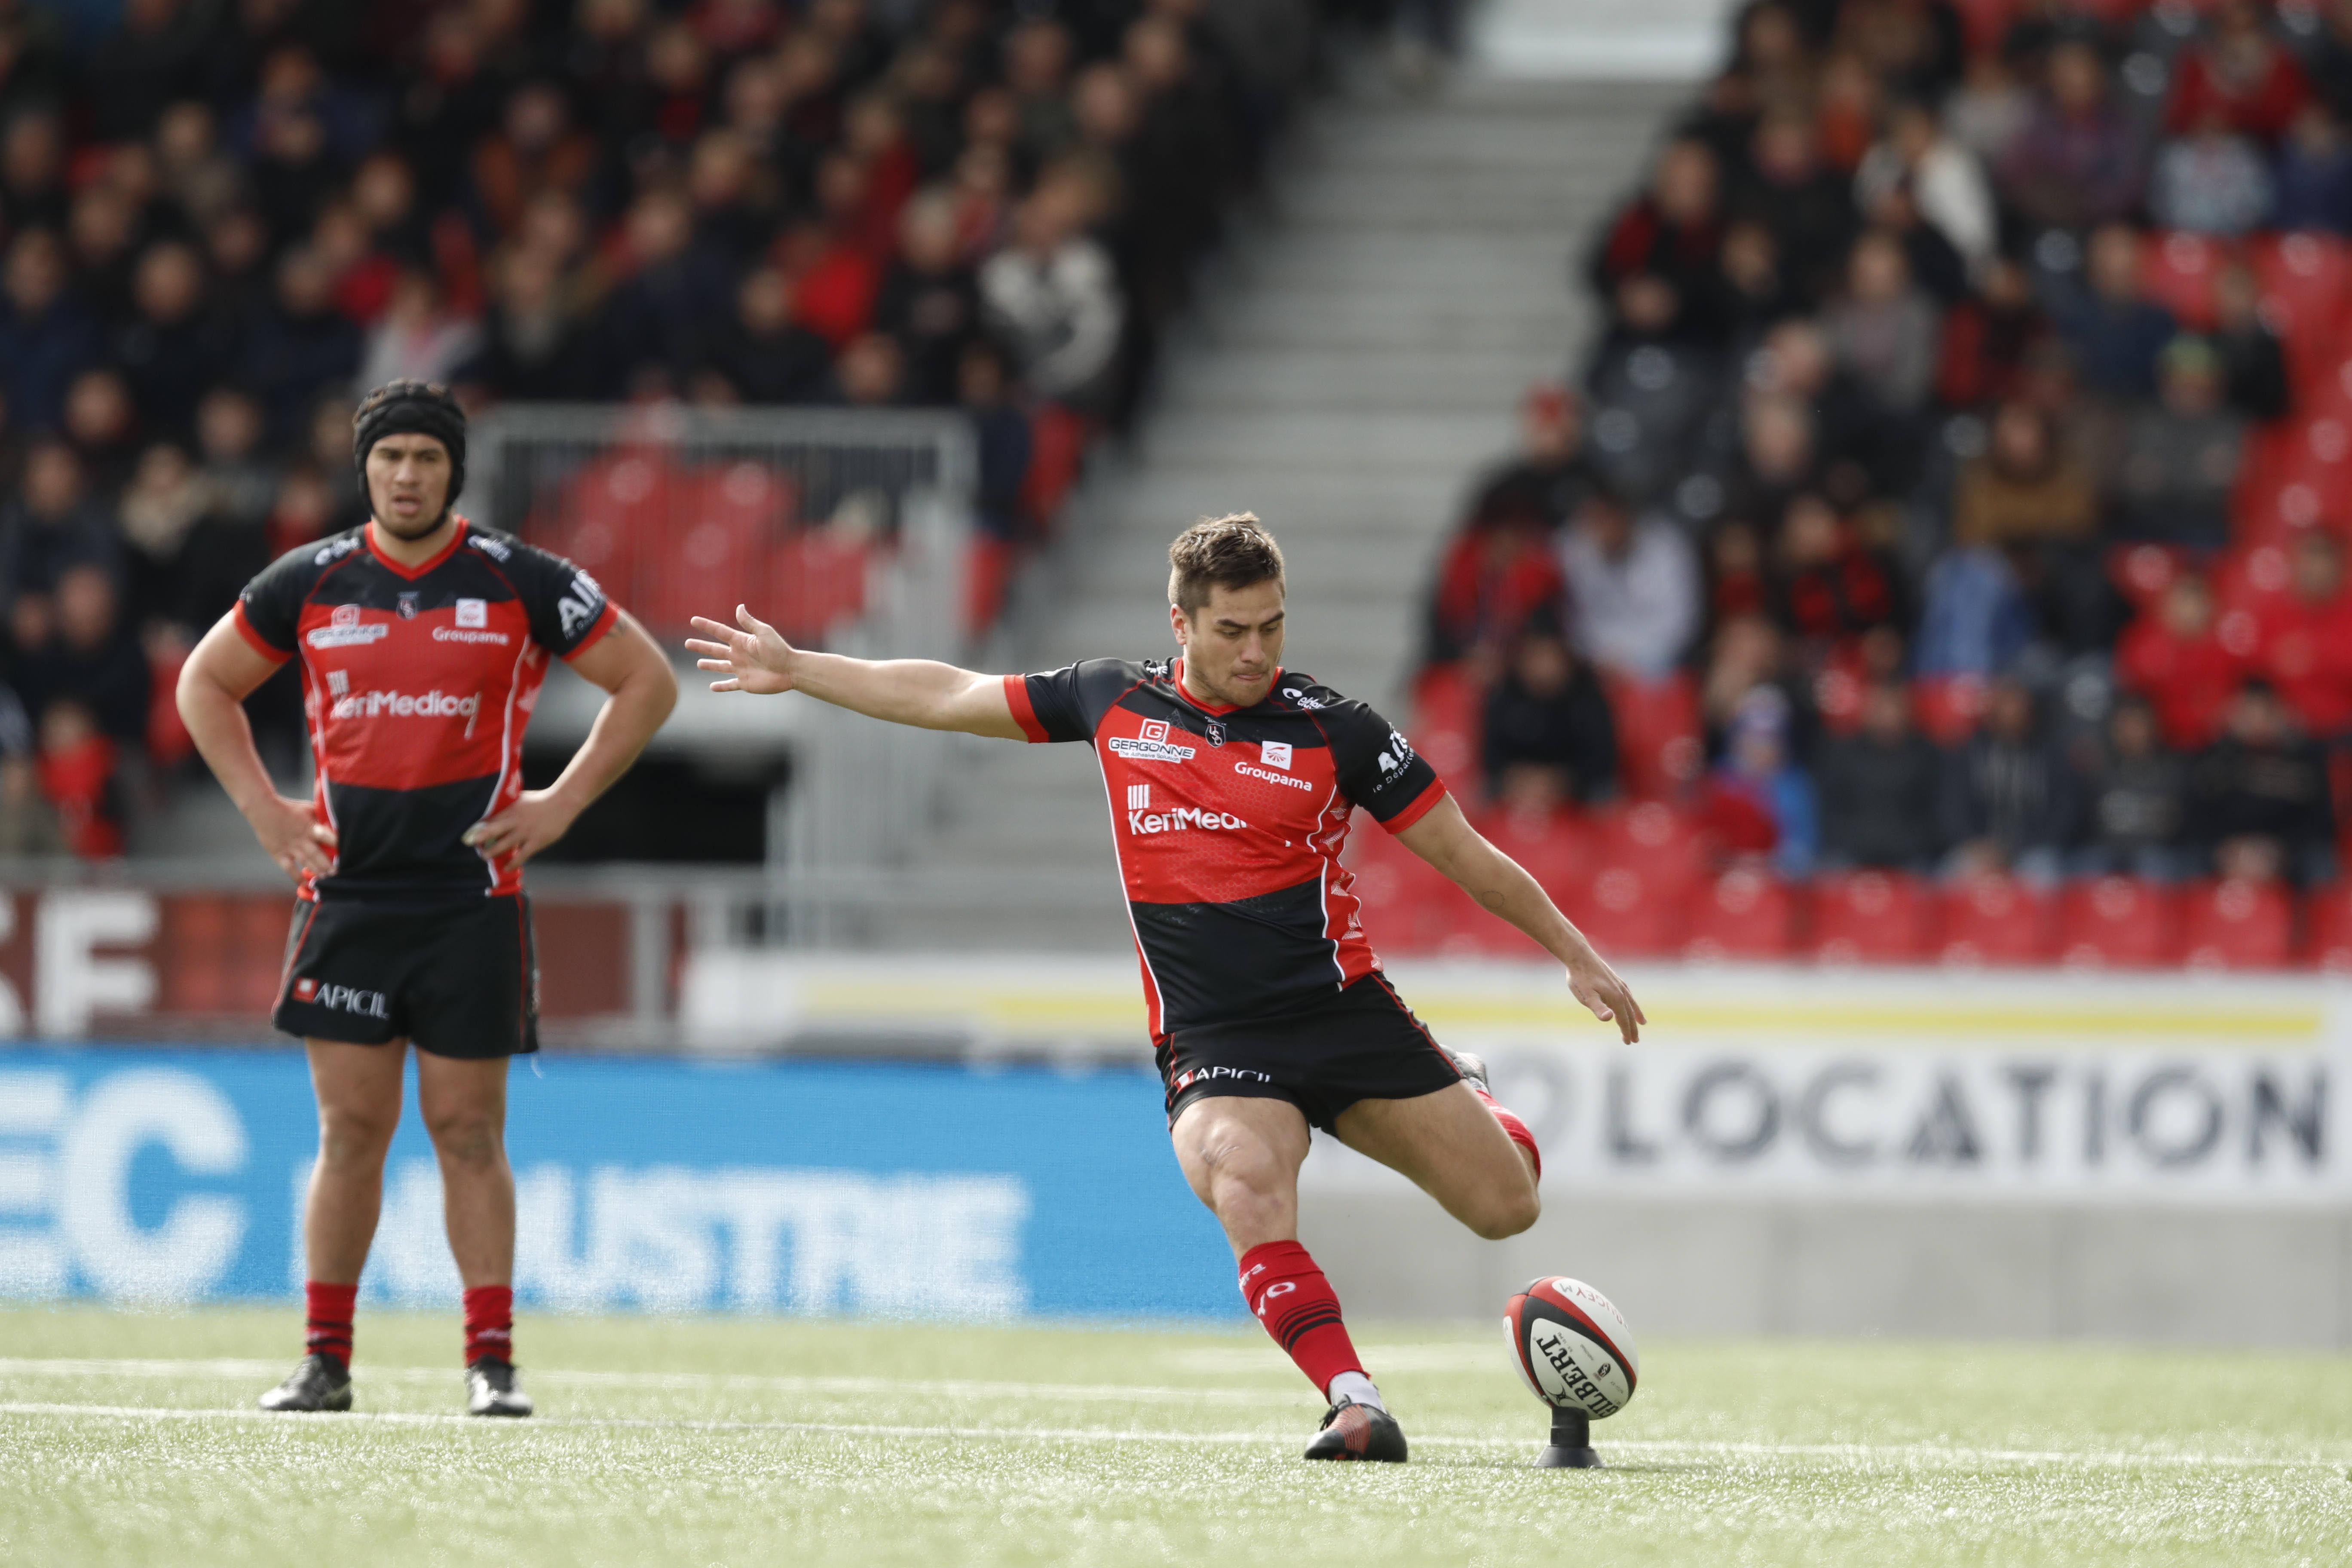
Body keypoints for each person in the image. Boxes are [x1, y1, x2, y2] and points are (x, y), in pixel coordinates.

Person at [686, 513, 1643, 1464]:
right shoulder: (1113, 700)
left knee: (1506, 1207)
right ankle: (1355, 1403)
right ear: (1180, 623)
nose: (1256, 650)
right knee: (1244, 1178)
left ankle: (1462, 1085)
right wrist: (802, 667)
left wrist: (1575, 951)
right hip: (1217, 1037)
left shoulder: (1338, 731)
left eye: (1272, 626)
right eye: (1233, 630)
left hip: (1342, 1014)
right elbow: (950, 692)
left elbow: (1464, 855)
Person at [174, 381, 677, 1418]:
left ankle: (490, 1363)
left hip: (471, 899)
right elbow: (202, 683)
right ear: (364, 468)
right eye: (391, 457)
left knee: (467, 1132)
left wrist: (563, 803)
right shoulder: (309, 580)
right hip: (349, 897)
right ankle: (325, 1360)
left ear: (456, 471)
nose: (408, 476)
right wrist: (267, 814)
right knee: (350, 1132)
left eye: (427, 459)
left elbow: (649, 681)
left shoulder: (518, 578)